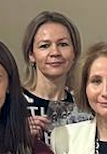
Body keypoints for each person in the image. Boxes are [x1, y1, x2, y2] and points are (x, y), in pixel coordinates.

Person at [21, 10, 85, 143]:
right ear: (31, 55)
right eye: (44, 46)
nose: (55, 52)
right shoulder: (12, 102)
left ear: (75, 52)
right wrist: (16, 136)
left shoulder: (84, 108)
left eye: (63, 44)